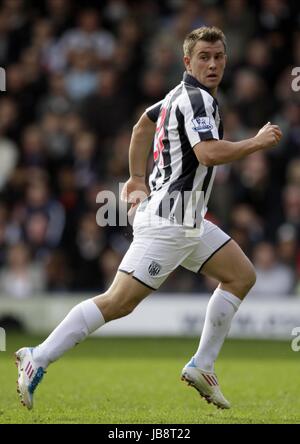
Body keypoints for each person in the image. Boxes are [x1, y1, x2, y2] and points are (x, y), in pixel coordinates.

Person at [15, 26, 282, 410]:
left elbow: (143, 123)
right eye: (204, 57)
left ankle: (202, 365)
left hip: (188, 220)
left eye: (219, 56)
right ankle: (36, 356)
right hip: (170, 221)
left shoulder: (177, 97)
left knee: (241, 275)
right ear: (187, 61)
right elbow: (207, 154)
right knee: (118, 302)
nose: (212, 64)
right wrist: (256, 142)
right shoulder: (196, 100)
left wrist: (137, 177)